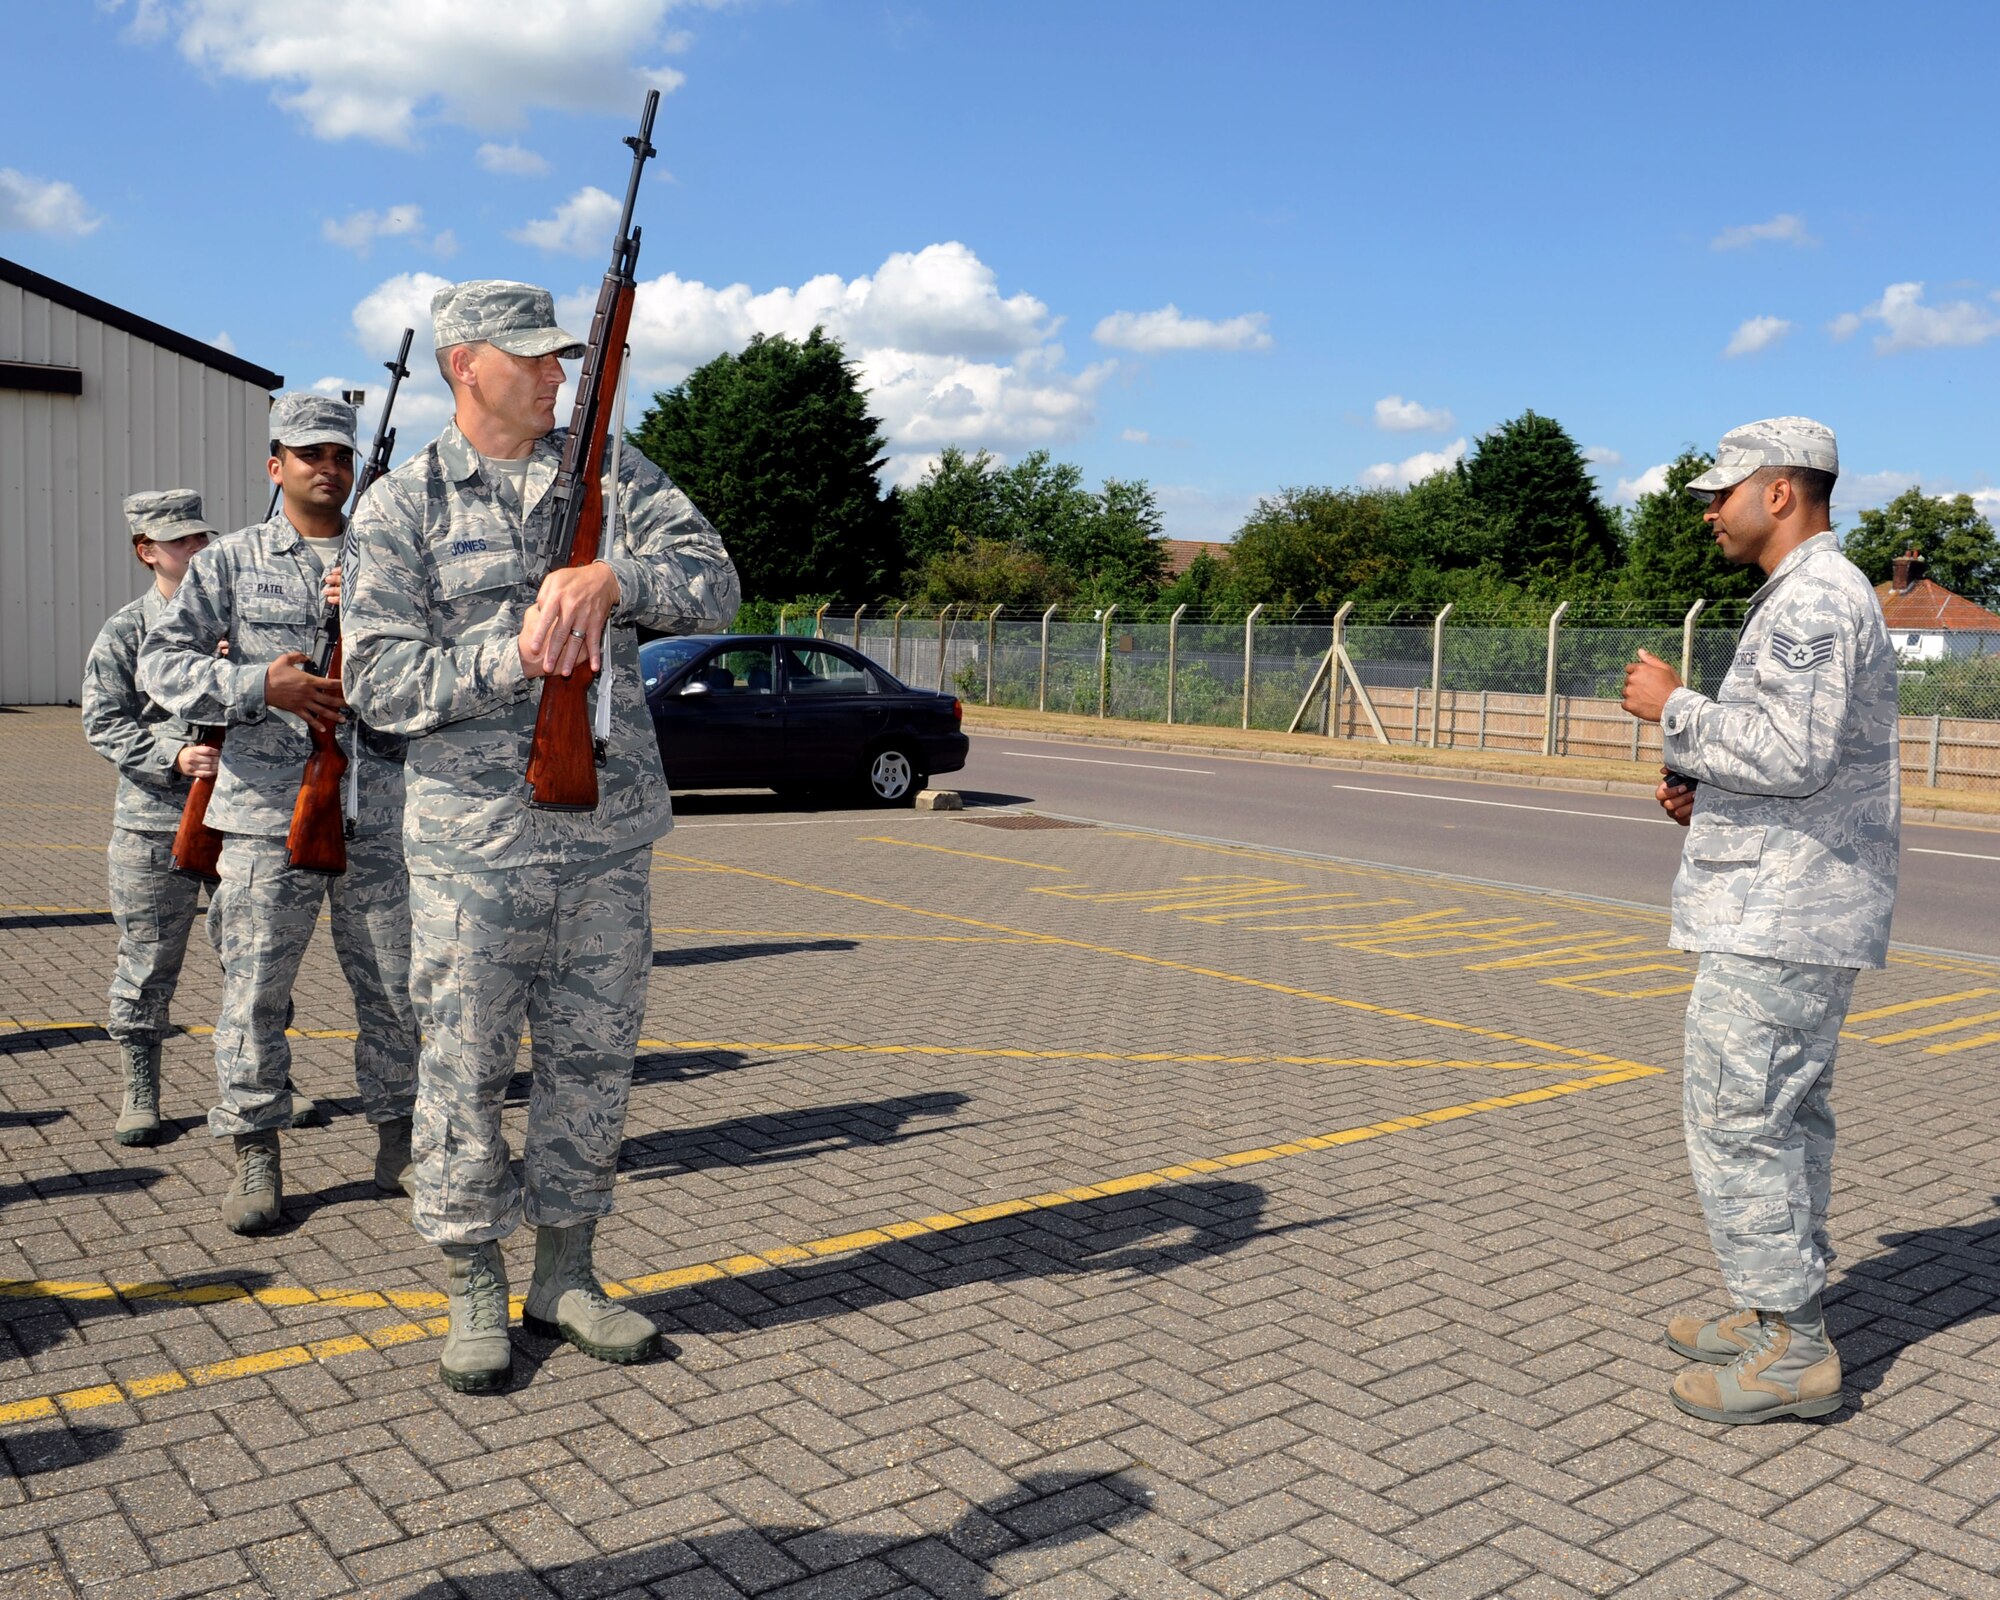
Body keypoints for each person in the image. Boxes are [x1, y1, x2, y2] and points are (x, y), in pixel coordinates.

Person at [341, 280, 739, 1394]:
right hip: (473, 844)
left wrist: (619, 575)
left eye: (565, 358)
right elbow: (376, 683)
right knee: (463, 1064)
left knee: (593, 1057)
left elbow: (716, 582)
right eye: (533, 359)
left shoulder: (614, 474)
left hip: (605, 836)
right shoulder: (402, 505)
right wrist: (513, 657)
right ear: (464, 365)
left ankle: (565, 1274)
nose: (557, 374)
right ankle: (473, 1280)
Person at [1621, 416, 1899, 1425]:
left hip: (1784, 914)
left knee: (1737, 1115)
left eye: (1719, 491)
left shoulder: (1815, 599)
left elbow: (1795, 752)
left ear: (1777, 491)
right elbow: (1796, 762)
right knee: (1780, 1115)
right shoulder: (1808, 594)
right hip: (1787, 898)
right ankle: (1771, 1309)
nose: (1707, 511)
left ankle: (1789, 1347)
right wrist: (1709, 795)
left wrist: (1674, 708)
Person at [138, 394, 420, 1234]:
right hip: (266, 815)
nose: (327, 469)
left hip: (377, 806)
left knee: (399, 992)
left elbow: (430, 672)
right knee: (256, 993)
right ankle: (256, 1151)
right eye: (309, 455)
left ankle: (400, 1139)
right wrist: (264, 685)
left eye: (340, 454)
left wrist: (370, 614)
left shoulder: (390, 555)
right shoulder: (227, 561)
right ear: (277, 466)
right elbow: (163, 662)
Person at [80, 490, 219, 1145]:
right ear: (147, 552)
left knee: (254, 961)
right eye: (181, 542)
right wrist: (174, 752)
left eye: (201, 539)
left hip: (234, 820)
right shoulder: (127, 630)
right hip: (152, 823)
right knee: (146, 963)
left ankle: (267, 1080)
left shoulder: (234, 625)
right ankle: (141, 1086)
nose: (196, 550)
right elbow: (101, 719)